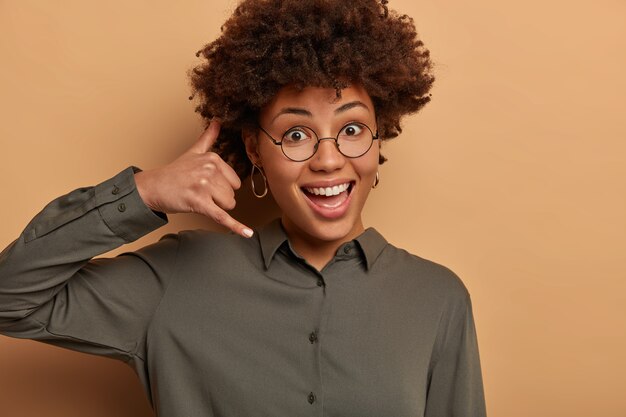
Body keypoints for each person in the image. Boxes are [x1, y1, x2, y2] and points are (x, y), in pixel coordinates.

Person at [0, 0, 487, 416]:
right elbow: (10, 299)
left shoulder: (437, 300)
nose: (329, 159)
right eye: (296, 134)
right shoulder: (176, 280)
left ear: (380, 136)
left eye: (353, 129)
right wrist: (143, 193)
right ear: (255, 151)